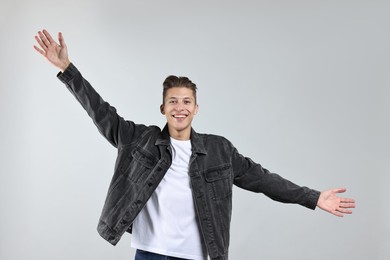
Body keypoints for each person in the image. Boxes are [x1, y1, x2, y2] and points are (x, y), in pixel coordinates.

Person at [33, 29, 356, 260]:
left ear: (196, 108)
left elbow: (263, 180)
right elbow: (100, 110)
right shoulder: (139, 139)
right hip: (151, 255)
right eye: (172, 101)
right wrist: (66, 69)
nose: (180, 107)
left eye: (187, 101)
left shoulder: (219, 151)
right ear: (163, 109)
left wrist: (314, 198)